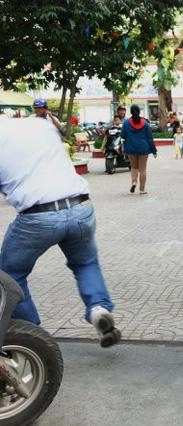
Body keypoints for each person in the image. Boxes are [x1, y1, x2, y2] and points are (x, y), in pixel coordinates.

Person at [0, 117, 121, 348]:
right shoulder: (40, 124)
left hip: (38, 216)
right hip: (81, 206)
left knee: (8, 275)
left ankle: (33, 335)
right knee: (85, 263)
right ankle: (98, 308)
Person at [121, 104, 157, 195]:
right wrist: (154, 151)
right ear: (139, 111)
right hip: (144, 149)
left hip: (131, 148)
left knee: (133, 168)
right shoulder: (145, 123)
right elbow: (150, 138)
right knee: (143, 170)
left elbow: (122, 135)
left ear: (130, 112)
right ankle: (142, 189)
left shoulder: (126, 123)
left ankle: (134, 182)